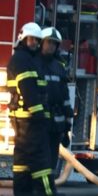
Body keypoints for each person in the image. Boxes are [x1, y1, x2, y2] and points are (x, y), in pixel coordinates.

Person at [6, 22, 56, 195]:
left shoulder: (22, 58)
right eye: (31, 39)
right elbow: (28, 89)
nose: (34, 43)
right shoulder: (23, 60)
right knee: (41, 164)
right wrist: (40, 115)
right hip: (31, 123)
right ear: (23, 38)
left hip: (22, 123)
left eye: (37, 40)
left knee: (22, 166)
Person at [35, 27, 73, 173]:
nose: (51, 46)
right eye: (48, 42)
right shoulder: (33, 64)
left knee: (52, 159)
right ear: (41, 43)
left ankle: (49, 186)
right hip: (39, 121)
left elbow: (65, 97)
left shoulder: (59, 67)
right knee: (39, 158)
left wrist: (67, 126)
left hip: (56, 123)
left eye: (54, 43)